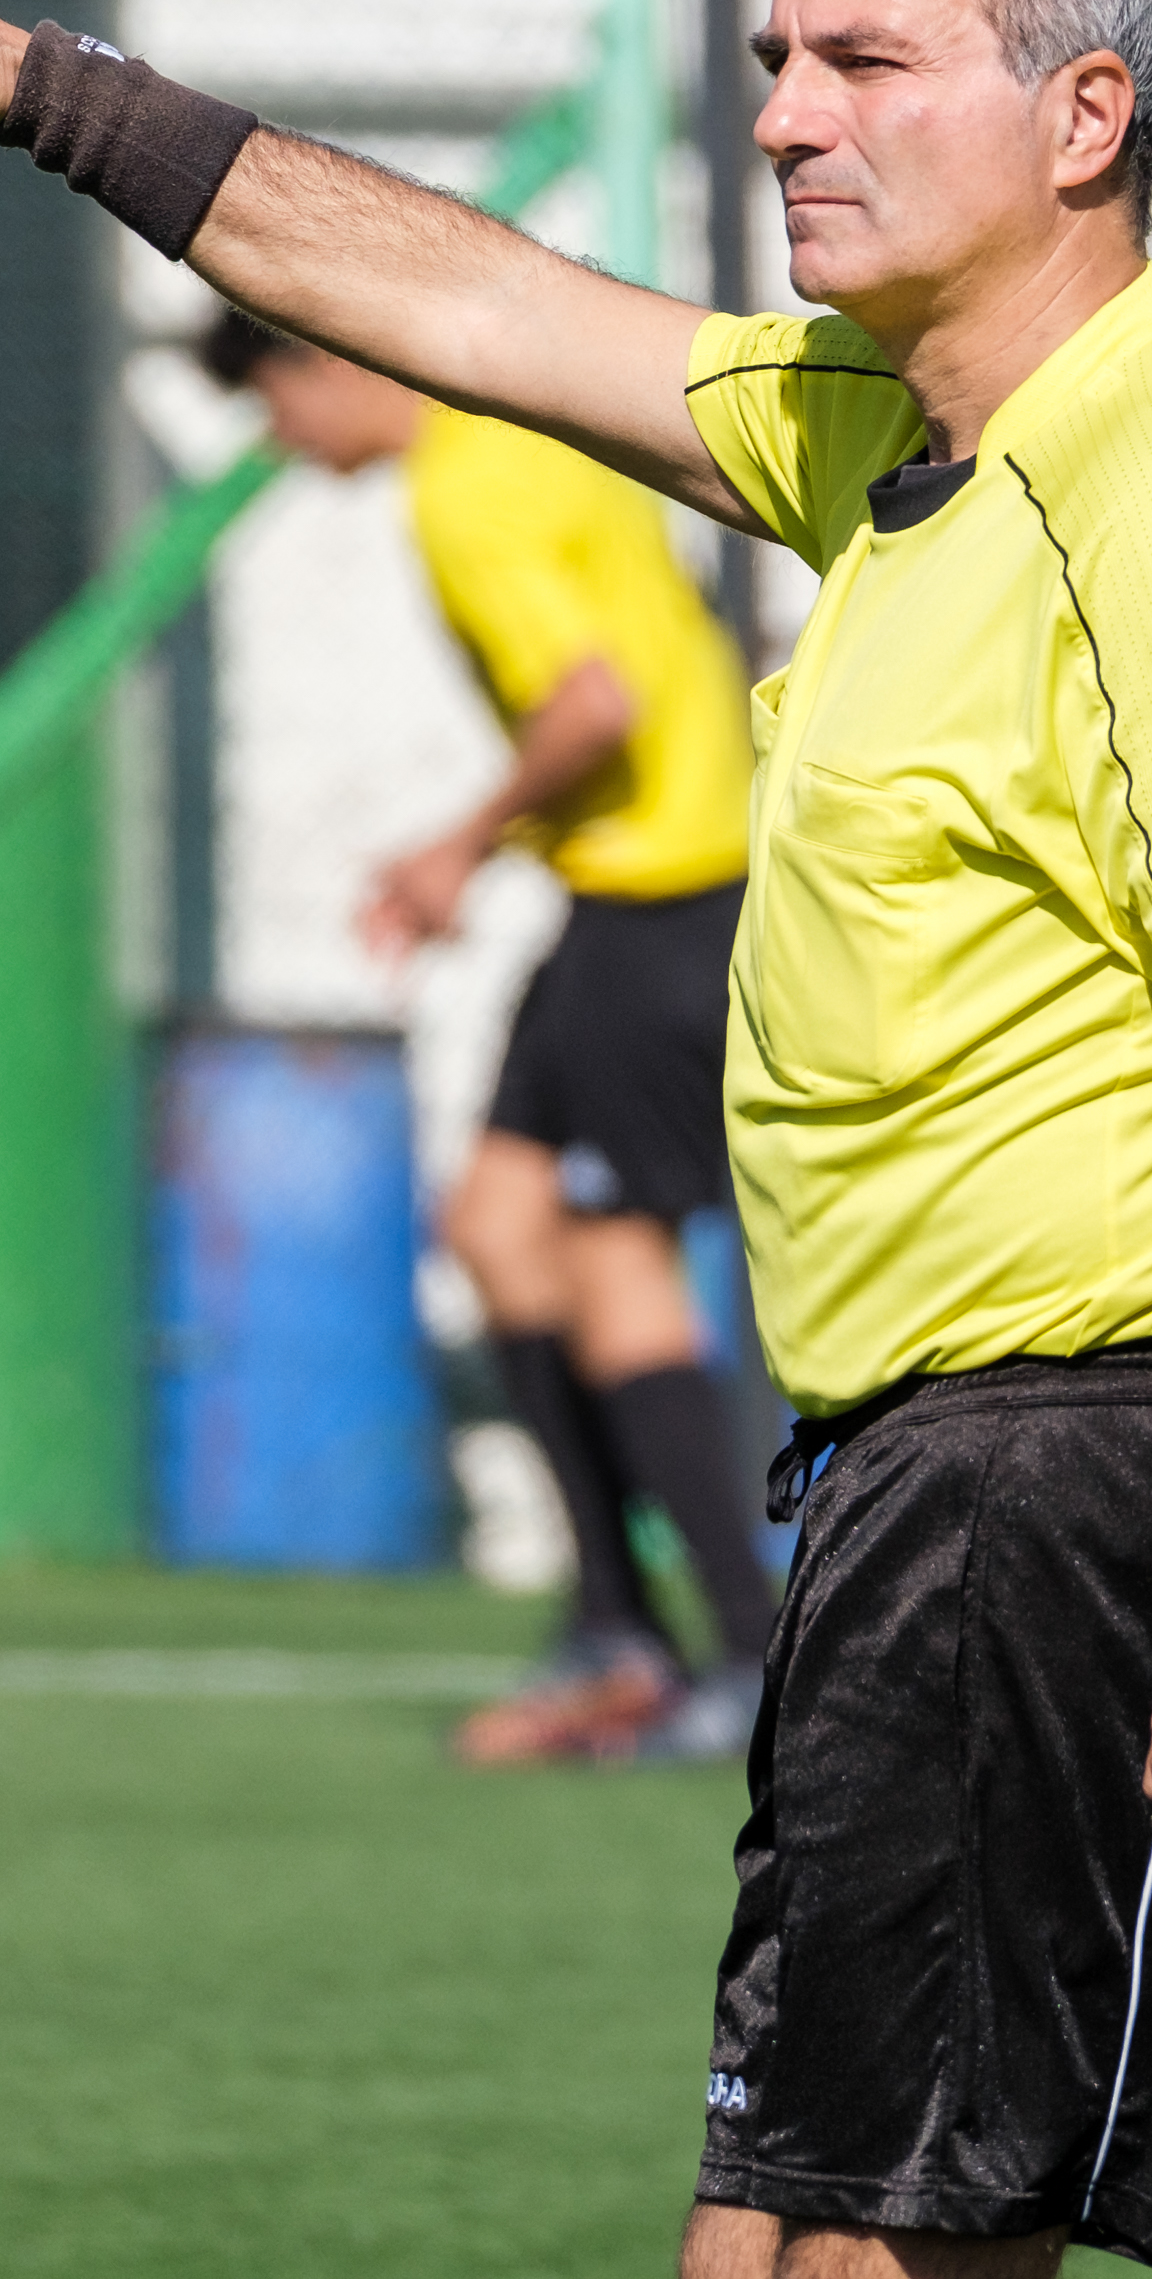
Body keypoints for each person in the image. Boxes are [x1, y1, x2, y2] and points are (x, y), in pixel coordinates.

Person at [0, 0, 1152, 2279]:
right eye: (774, 58)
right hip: (906, 1490)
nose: (784, 115)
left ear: (1082, 117)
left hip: (1079, 1485)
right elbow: (479, 303)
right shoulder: (886, 430)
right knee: (757, 2241)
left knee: (881, 2257)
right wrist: (50, 95)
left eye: (866, 61)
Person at [198, 308, 772, 1767]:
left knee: (616, 1255)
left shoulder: (464, 491)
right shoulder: (533, 433)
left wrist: (455, 844)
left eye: (272, 407)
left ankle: (748, 1656)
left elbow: (595, 702)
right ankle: (616, 1626)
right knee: (499, 1223)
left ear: (324, 362)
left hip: (667, 903)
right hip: (631, 899)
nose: (283, 443)